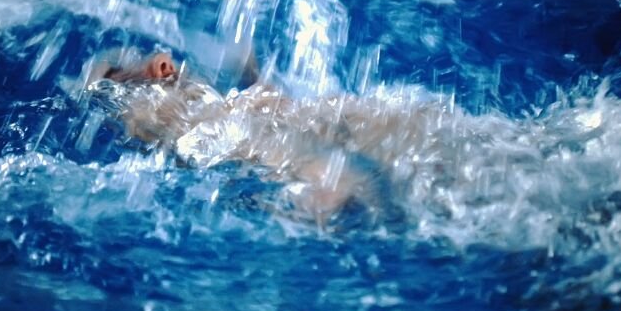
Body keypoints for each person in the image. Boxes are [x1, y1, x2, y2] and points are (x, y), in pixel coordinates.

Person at [84, 49, 408, 231]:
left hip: (318, 173)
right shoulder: (230, 109)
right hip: (370, 132)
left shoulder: (204, 122)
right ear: (162, 68)